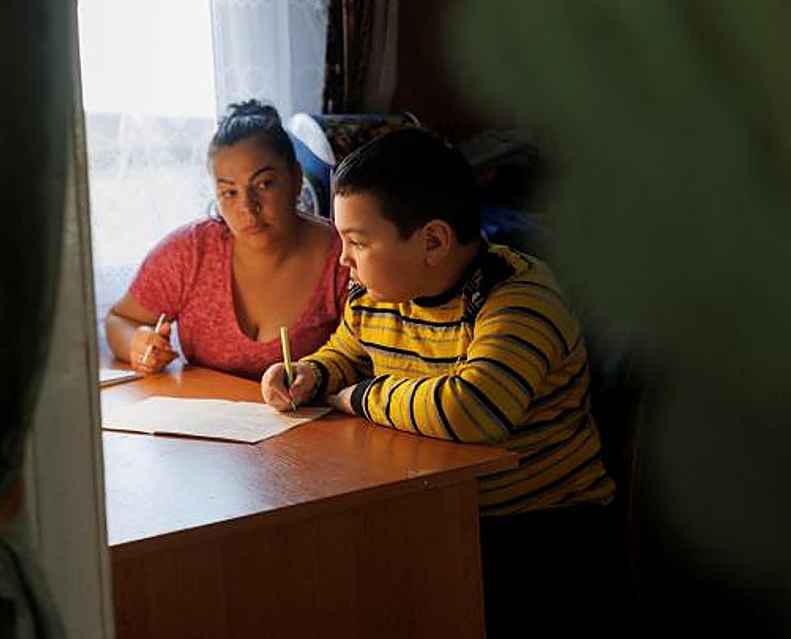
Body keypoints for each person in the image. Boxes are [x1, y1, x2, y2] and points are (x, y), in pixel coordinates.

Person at [261, 127, 620, 638]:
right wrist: (311, 375)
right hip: (436, 511)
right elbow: (348, 351)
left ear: (433, 240)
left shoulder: (518, 297)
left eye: (357, 242)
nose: (343, 260)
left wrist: (355, 398)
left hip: (541, 529)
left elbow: (472, 410)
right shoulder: (375, 294)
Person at [105, 100, 350, 381]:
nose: (248, 207)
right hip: (204, 419)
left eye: (264, 184)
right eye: (229, 193)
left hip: (315, 423)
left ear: (295, 178)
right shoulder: (190, 251)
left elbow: (369, 360)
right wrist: (139, 344)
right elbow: (120, 320)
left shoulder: (343, 257)